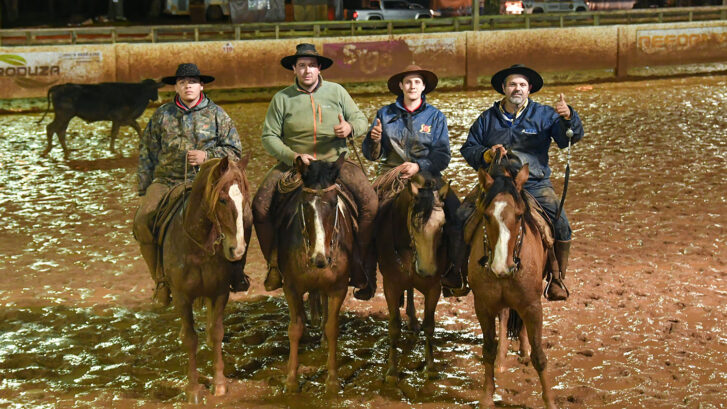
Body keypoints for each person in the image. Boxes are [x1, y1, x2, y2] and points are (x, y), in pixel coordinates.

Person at [253, 43, 378, 300]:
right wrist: (293, 155)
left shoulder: (337, 92)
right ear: (294, 69)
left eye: (311, 65)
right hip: (296, 165)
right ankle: (275, 265)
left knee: (371, 204)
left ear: (319, 68)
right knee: (260, 207)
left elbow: (361, 120)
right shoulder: (281, 98)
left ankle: (358, 261)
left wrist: (350, 129)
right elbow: (269, 137)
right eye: (301, 65)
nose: (307, 70)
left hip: (334, 163)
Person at [460, 64, 584, 301]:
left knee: (562, 225)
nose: (517, 89)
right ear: (504, 89)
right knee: (460, 217)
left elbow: (567, 138)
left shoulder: (546, 115)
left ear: (529, 90)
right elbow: (469, 149)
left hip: (534, 182)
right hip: (495, 184)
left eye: (522, 85)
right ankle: (456, 272)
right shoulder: (487, 118)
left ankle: (557, 278)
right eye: (513, 84)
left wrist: (569, 118)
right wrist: (486, 154)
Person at [133, 63, 243, 306]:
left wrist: (208, 156)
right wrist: (144, 188)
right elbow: (147, 152)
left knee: (239, 215)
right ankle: (161, 280)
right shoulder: (162, 115)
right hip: (167, 180)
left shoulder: (217, 114)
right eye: (182, 82)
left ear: (201, 85)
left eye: (192, 81)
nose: (187, 86)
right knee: (142, 221)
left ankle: (236, 272)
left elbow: (235, 150)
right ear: (176, 86)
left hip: (207, 182)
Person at [361, 64, 467, 296]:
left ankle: (454, 272)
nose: (412, 86)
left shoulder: (435, 116)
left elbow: (442, 155)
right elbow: (371, 155)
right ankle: (366, 276)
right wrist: (374, 140)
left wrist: (419, 166)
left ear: (423, 87)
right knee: (366, 216)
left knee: (457, 215)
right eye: (408, 82)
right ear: (400, 86)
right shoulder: (384, 114)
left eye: (417, 82)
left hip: (427, 177)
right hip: (391, 175)